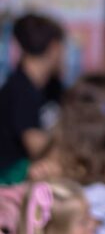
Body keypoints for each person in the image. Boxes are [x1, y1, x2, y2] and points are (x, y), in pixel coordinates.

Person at [0, 13, 65, 185]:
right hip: (13, 182)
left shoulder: (52, 87)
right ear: (54, 48)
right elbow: (35, 145)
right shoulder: (18, 90)